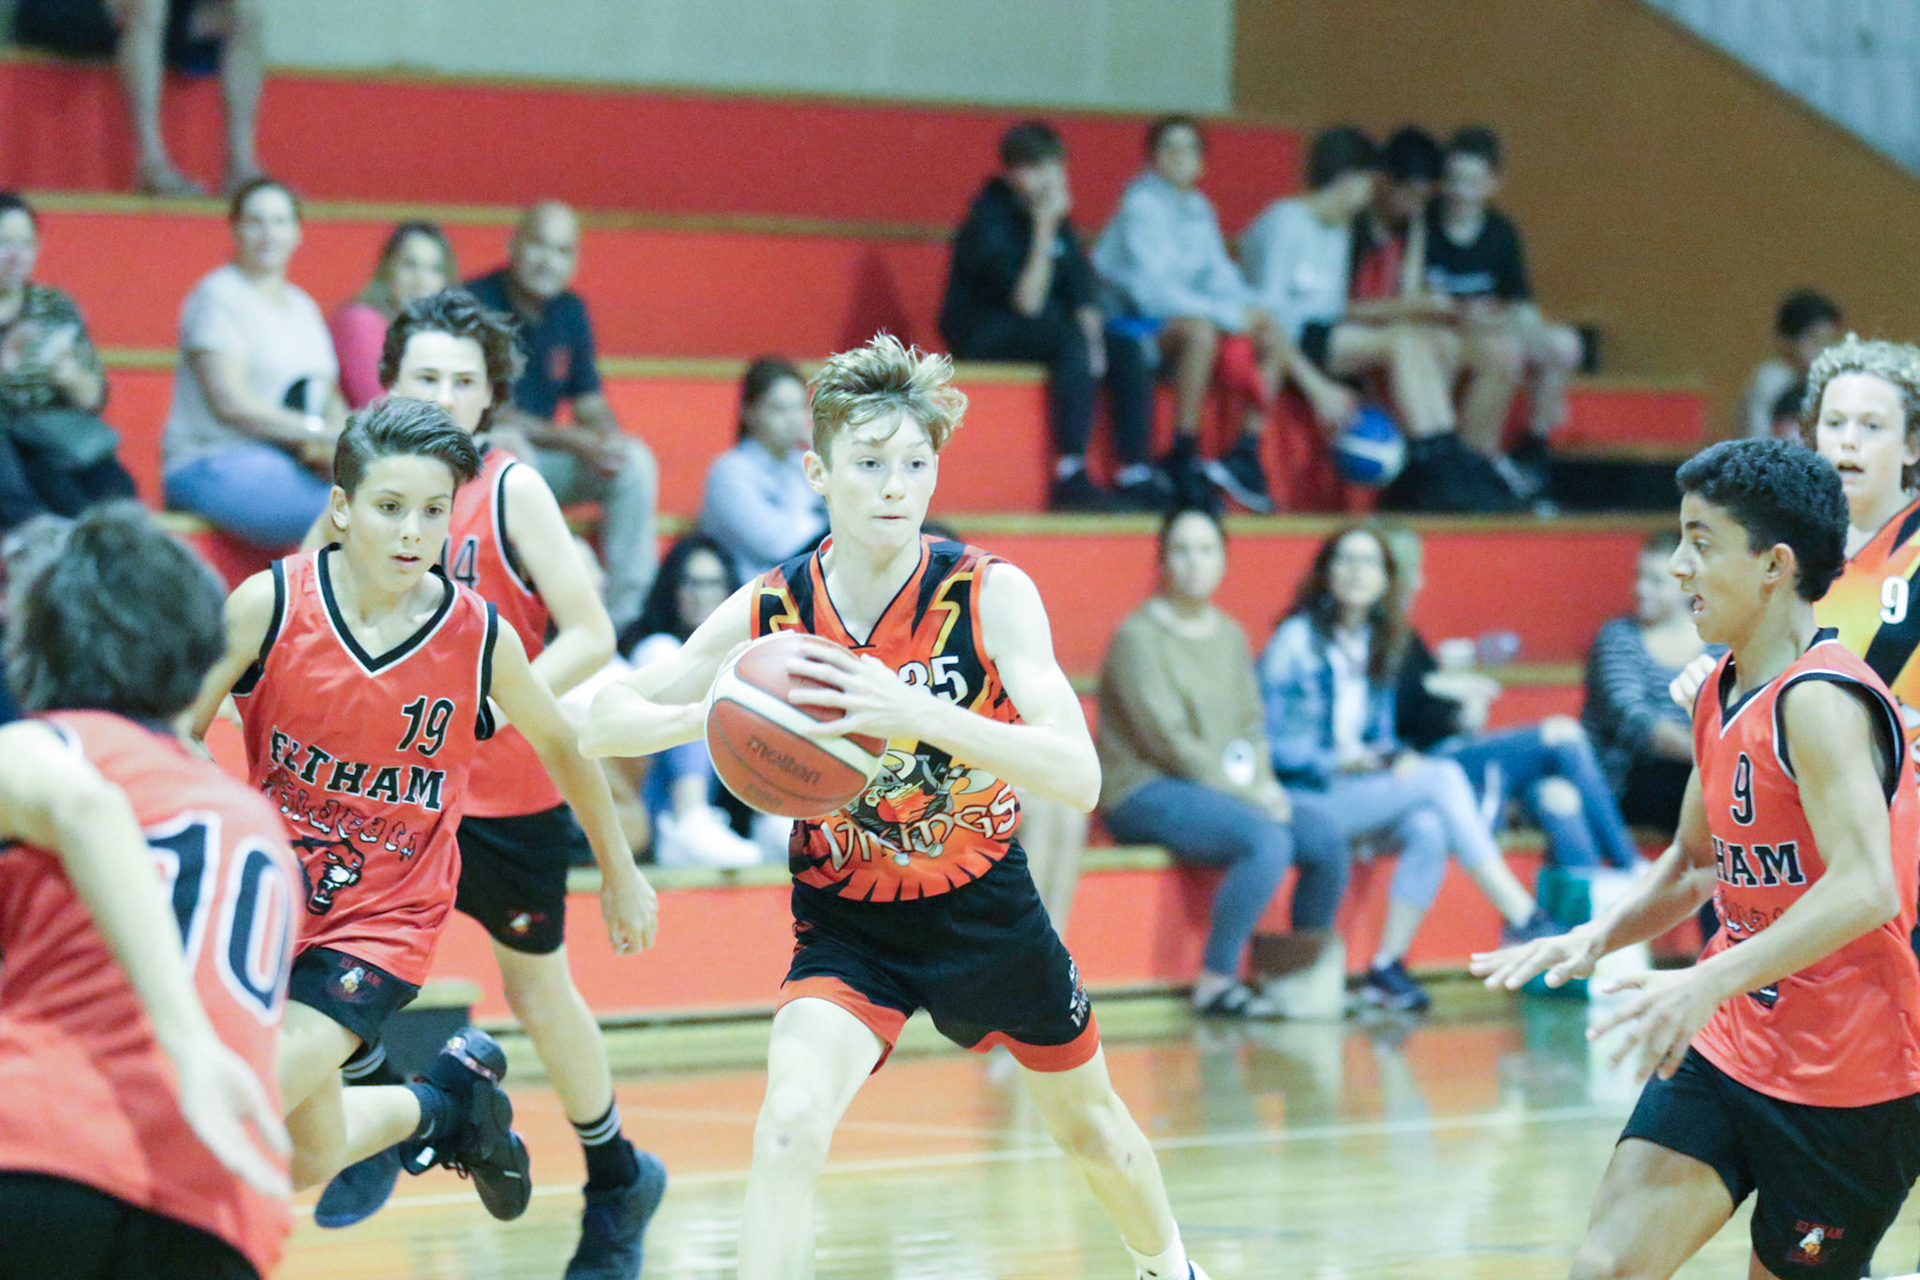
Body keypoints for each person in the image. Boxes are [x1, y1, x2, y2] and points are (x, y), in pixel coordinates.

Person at [581, 334, 1212, 1280]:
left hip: (984, 909)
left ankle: (1172, 1269)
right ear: (818, 474)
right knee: (788, 1124)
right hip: (850, 921)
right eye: (870, 464)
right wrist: (722, 712)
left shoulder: (990, 594)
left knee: (1096, 1136)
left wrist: (915, 714)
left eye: (915, 464)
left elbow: (1077, 776)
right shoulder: (776, 608)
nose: (895, 486)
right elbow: (605, 720)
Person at [184, 398, 657, 1216]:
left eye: (433, 512)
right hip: (272, 902)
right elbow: (177, 734)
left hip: (384, 919)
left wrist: (621, 872)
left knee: (236, 1104)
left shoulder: (475, 634)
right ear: (342, 508)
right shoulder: (269, 604)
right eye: (390, 507)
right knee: (307, 1155)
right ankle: (445, 1107)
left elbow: (562, 745)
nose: (412, 532)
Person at [1474, 438, 1920, 1280]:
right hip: (1730, 1038)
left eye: (1701, 542)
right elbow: (1692, 864)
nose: (1679, 565)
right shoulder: (1718, 685)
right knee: (1606, 1268)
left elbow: (1868, 888)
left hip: (1847, 1075)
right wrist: (1595, 938)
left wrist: (1705, 978)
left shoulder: (1821, 701)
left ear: (1774, 566)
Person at [301, 293, 668, 1279]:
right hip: (393, 794)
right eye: (426, 376)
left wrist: (500, 706)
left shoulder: (511, 489)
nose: (445, 394)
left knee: (539, 990)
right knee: (323, 955)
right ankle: (382, 1114)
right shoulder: (363, 491)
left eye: (464, 381)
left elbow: (591, 631)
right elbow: (305, 616)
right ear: (389, 383)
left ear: (491, 397)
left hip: (507, 794)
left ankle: (617, 1176)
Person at [0, 503, 293, 1280]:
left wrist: (186, 1044)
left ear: (32, 647)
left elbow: (85, 804)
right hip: (222, 1204)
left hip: (42, 1151)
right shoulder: (255, 820)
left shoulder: (49, 745)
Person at [1260, 523, 1559, 1013]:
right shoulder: (1296, 640)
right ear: (1326, 572)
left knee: (1428, 825)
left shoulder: (1382, 641)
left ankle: (1386, 967)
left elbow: (1380, 735)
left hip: (1355, 788)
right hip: (1305, 791)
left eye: (1369, 563)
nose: (1356, 572)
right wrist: (1341, 761)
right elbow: (1269, 742)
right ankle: (1523, 915)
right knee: (1442, 778)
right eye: (1345, 560)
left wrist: (1390, 757)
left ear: (1386, 579)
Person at [1097, 507, 1347, 1018]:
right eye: (1181, 550)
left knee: (1324, 838)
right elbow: (1168, 741)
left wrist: (1266, 785)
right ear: (1163, 561)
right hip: (1145, 789)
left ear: (1224, 561)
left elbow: (1250, 726)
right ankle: (1216, 980)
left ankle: (1297, 977)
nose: (1194, 562)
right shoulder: (1137, 638)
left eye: (1206, 550)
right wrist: (1251, 796)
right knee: (1266, 838)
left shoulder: (1230, 635)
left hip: (1222, 789)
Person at [1382, 524, 1641, 870]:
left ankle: (1586, 899)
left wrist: (1461, 709)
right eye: (1412, 572)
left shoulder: (1405, 635)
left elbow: (1427, 714)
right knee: (1562, 734)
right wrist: (1436, 687)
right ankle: (1629, 866)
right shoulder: (1374, 641)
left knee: (1556, 795)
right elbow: (1396, 712)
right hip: (1420, 763)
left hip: (1447, 749)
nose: (1419, 583)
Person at [940, 121, 1159, 512]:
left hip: (1045, 328)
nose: (1049, 179)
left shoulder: (1057, 218)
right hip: (984, 331)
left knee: (1124, 345)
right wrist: (1043, 228)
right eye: (1037, 168)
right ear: (1013, 173)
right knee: (1067, 338)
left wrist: (1096, 341)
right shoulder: (988, 220)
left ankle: (1134, 473)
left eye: (1055, 168)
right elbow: (1028, 303)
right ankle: (1070, 473)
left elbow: (1080, 291)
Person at [469, 201, 658, 628]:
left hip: (544, 456)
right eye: (539, 245)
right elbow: (484, 410)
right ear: (513, 244)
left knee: (633, 462)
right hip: (484, 455)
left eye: (562, 251)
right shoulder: (475, 303)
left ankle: (624, 620)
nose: (548, 261)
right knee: (516, 465)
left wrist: (607, 437)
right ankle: (511, 616)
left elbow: (588, 399)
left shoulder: (571, 310)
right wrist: (575, 439)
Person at [1094, 116, 1283, 514]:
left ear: (1202, 163)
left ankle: (1246, 451)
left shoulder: (1199, 209)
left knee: (1271, 331)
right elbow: (1153, 296)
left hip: (1174, 318)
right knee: (1201, 333)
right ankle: (1183, 451)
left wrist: (1252, 309)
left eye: (1190, 149)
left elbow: (1221, 277)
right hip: (1124, 324)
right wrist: (1230, 316)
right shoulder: (1140, 206)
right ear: (1152, 159)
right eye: (1170, 147)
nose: (1181, 156)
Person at [1240, 127, 1465, 451]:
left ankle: (1442, 445)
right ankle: (1430, 452)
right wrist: (1317, 388)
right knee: (1398, 344)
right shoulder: (1285, 223)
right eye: (1367, 185)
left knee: (1411, 341)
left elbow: (1334, 311)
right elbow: (1268, 322)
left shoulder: (1337, 230)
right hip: (1289, 337)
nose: (1369, 197)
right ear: (1347, 180)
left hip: (1321, 332)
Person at [162, 177, 346, 550]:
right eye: (255, 222)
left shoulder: (303, 306)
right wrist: (316, 432)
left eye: (279, 222)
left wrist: (344, 437)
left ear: (298, 233)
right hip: (213, 461)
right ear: (234, 230)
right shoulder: (218, 296)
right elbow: (231, 402)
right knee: (348, 513)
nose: (268, 234)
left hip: (292, 462)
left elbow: (328, 392)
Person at [1423, 126, 1583, 495]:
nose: (1461, 191)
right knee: (1504, 353)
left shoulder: (1500, 232)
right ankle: (1476, 461)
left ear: (1492, 184)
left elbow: (1520, 304)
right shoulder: (1425, 226)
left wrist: (1522, 329)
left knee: (1564, 345)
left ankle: (1536, 444)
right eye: (1454, 179)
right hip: (1446, 330)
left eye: (1472, 182)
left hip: (1491, 325)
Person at [613, 532, 765, 868]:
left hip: (728, 805)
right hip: (656, 803)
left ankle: (774, 819)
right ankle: (689, 819)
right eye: (691, 583)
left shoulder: (746, 650)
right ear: (672, 588)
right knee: (672, 659)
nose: (702, 595)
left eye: (713, 584)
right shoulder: (648, 646)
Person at [13, 0, 264, 197]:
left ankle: (240, 166)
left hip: (160, 21)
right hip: (68, 10)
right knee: (148, 3)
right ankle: (151, 163)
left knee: (247, 10)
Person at [0, 193, 135, 528]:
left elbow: (94, 397)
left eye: (25, 244)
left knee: (120, 497)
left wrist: (73, 378)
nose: (15, 256)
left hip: (56, 437)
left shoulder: (54, 306)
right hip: (12, 452)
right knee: (59, 497)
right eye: (4, 243)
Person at [1584, 529, 1712, 833]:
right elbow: (1634, 722)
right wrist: (1712, 758)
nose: (1640, 589)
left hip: (1701, 769)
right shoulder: (1618, 637)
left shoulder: (1719, 641)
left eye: (1655, 581)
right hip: (1628, 778)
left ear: (1690, 586)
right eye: (1638, 577)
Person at [699, 357, 826, 578]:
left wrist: (824, 450)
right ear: (749, 412)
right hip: (750, 589)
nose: (794, 420)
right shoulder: (730, 472)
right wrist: (824, 521)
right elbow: (778, 545)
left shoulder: (804, 463)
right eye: (779, 409)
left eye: (800, 407)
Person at [330, 223, 458, 409]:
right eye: (409, 265)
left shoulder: (442, 334)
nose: (422, 280)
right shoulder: (360, 321)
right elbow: (380, 407)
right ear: (387, 269)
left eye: (434, 269)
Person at [1740, 290, 1842, 441]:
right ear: (1787, 339)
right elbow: (1755, 437)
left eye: (1828, 342)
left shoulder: (1821, 381)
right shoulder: (1769, 382)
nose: (1823, 350)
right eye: (1815, 340)